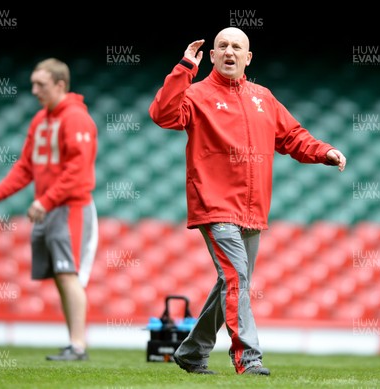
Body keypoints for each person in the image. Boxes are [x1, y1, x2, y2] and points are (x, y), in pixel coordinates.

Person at [149, 27, 346, 375]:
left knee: (232, 281)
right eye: (222, 46)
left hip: (253, 211)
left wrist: (324, 151)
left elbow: (293, 137)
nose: (229, 51)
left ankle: (193, 352)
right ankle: (248, 357)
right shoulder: (196, 95)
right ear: (211, 56)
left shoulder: (263, 97)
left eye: (236, 47)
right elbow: (163, 115)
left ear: (248, 57)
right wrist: (183, 68)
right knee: (236, 277)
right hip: (215, 205)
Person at [0, 58, 99, 361]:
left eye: (40, 84)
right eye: (33, 83)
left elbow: (78, 171)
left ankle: (78, 344)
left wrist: (45, 201)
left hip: (71, 207)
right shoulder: (40, 119)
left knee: (68, 274)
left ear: (60, 84)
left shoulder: (76, 118)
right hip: (48, 209)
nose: (34, 90)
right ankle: (74, 343)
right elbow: (25, 167)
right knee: (61, 276)